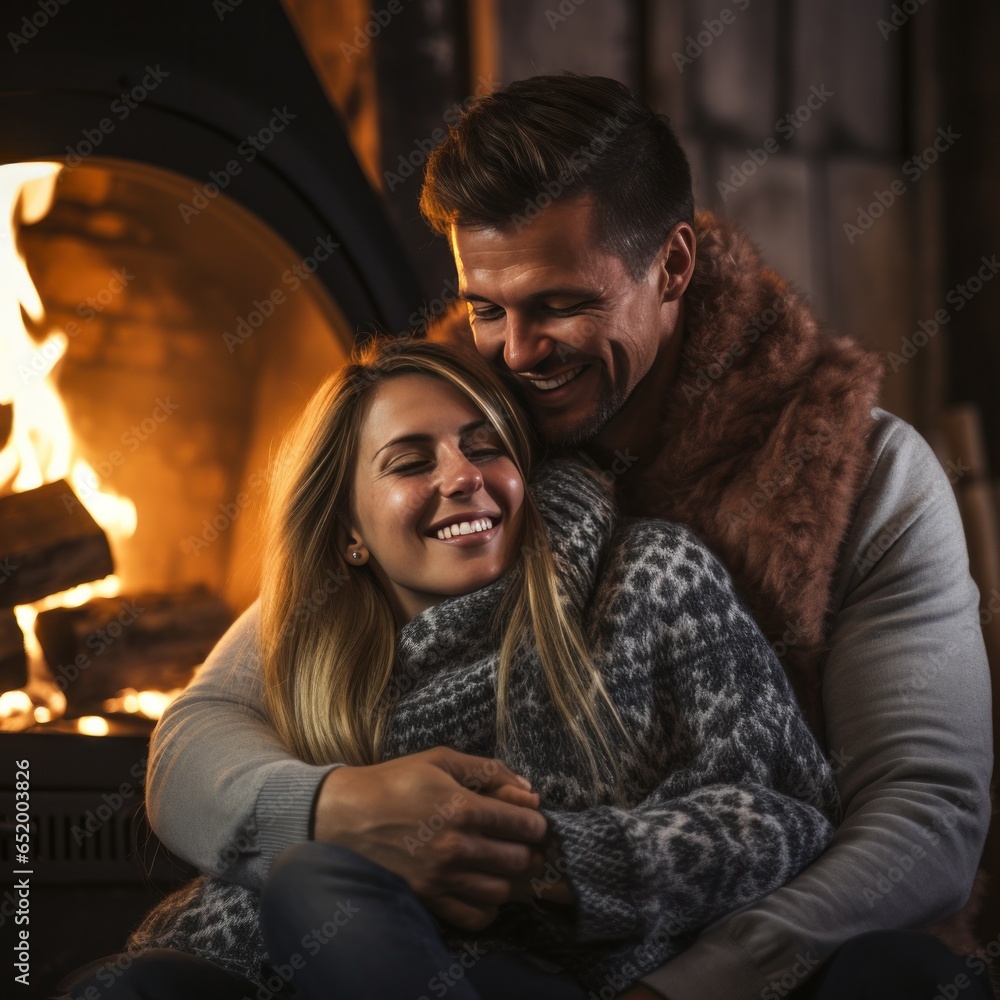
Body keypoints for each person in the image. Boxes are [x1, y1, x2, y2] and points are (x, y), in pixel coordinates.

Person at [144, 75, 993, 999]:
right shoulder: (458, 460)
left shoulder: (860, 472)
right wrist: (335, 808)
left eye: (558, 305)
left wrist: (684, 985)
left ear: (672, 269)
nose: (515, 353)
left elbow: (927, 817)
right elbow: (196, 738)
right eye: (487, 308)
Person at [60, 338, 838, 1000]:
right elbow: (193, 754)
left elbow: (788, 817)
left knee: (314, 882)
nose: (462, 475)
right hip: (332, 966)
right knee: (139, 985)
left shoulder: (649, 575)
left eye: (484, 445)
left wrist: (542, 858)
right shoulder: (315, 659)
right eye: (410, 461)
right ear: (350, 536)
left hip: (552, 972)